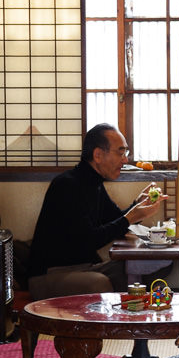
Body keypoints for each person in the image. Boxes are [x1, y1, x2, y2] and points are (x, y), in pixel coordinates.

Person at [26, 123, 166, 299]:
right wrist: (133, 216)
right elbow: (88, 240)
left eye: (126, 153)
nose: (125, 160)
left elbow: (116, 219)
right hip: (49, 274)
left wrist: (139, 203)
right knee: (98, 283)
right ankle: (117, 325)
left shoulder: (95, 183)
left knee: (132, 267)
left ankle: (132, 321)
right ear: (98, 155)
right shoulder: (67, 185)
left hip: (83, 267)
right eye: (120, 152)